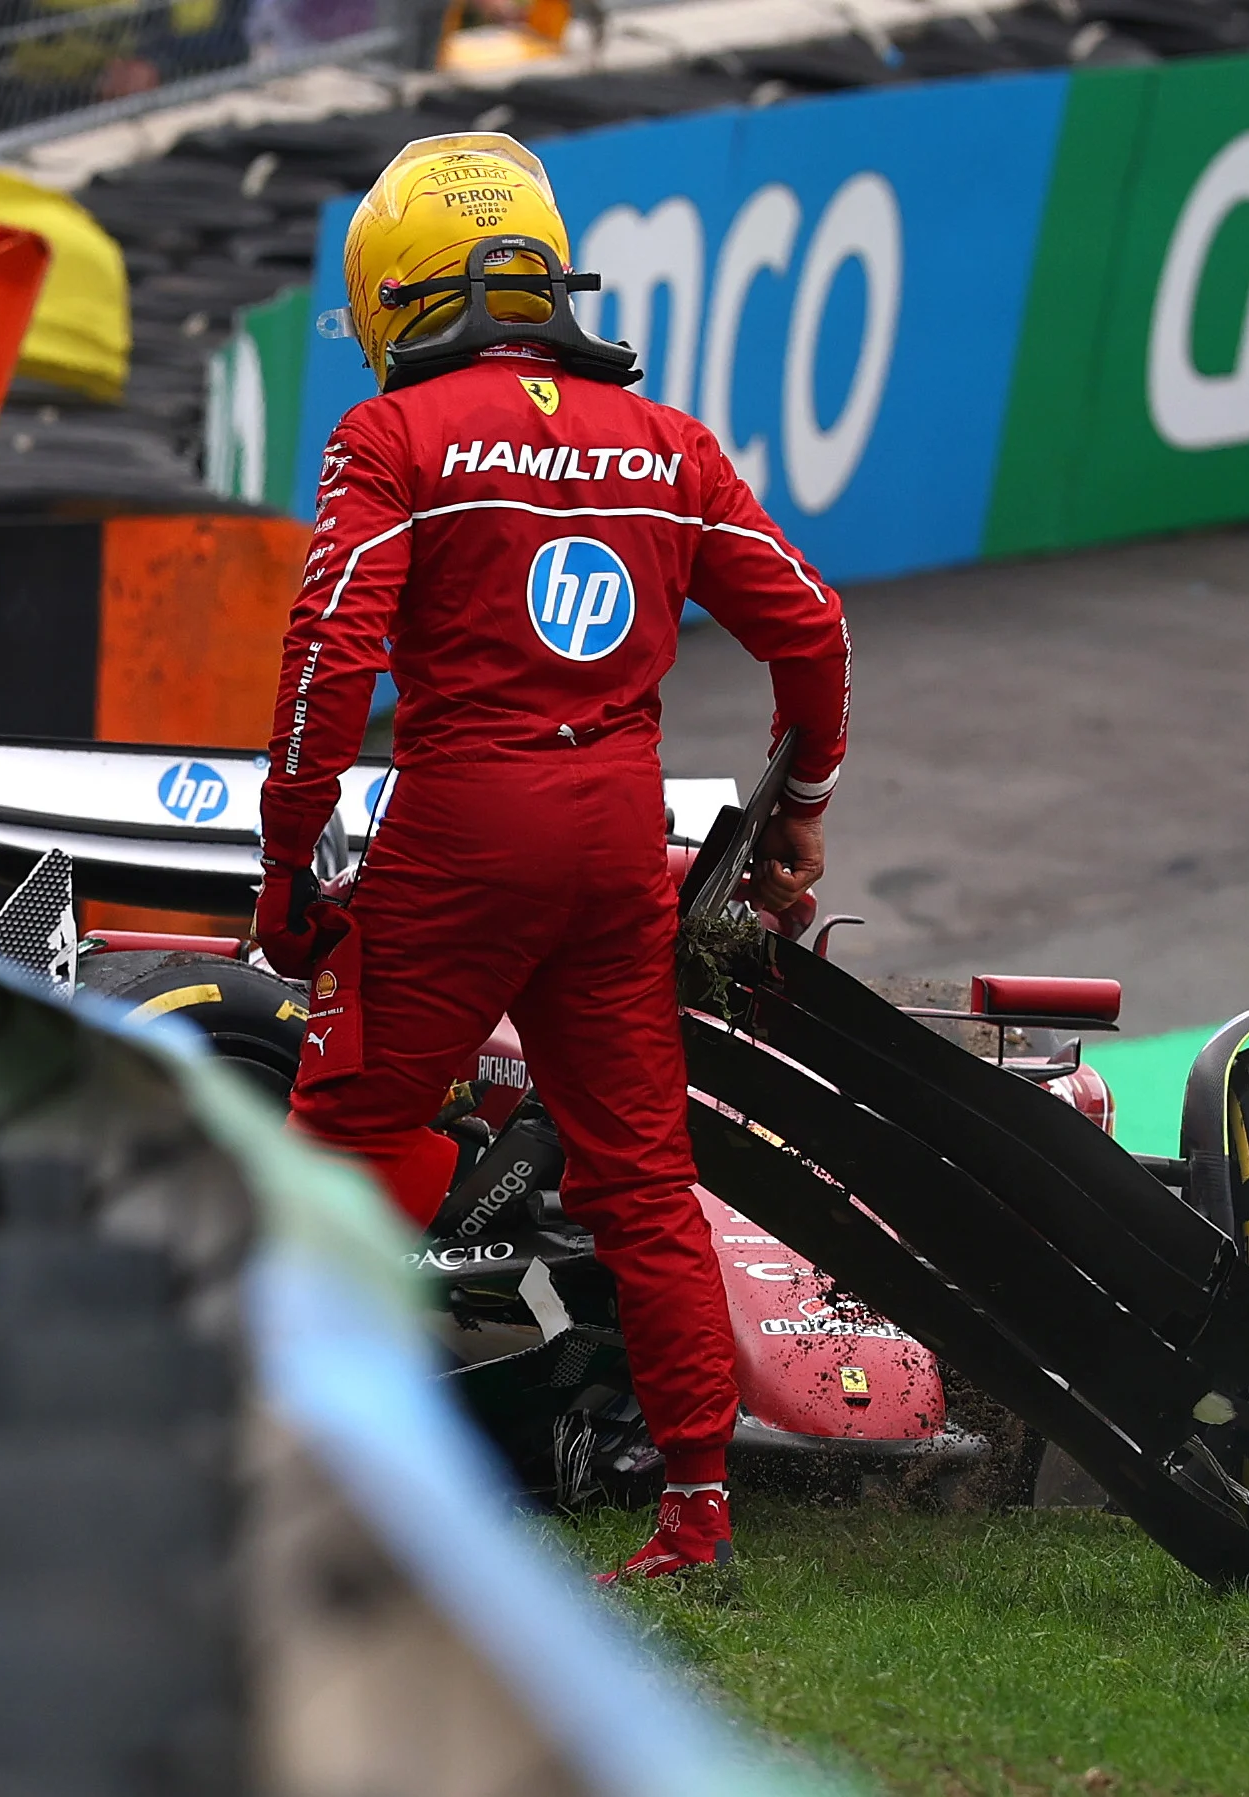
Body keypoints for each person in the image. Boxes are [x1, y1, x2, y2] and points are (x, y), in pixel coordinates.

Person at [252, 134, 847, 1583]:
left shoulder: (389, 440)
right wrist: (800, 804)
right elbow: (811, 629)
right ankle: (695, 1510)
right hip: (613, 836)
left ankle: (295, 1453)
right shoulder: (671, 444)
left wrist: (287, 871)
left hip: (463, 828)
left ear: (391, 295)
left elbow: (330, 653)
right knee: (640, 1174)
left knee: (340, 1133)